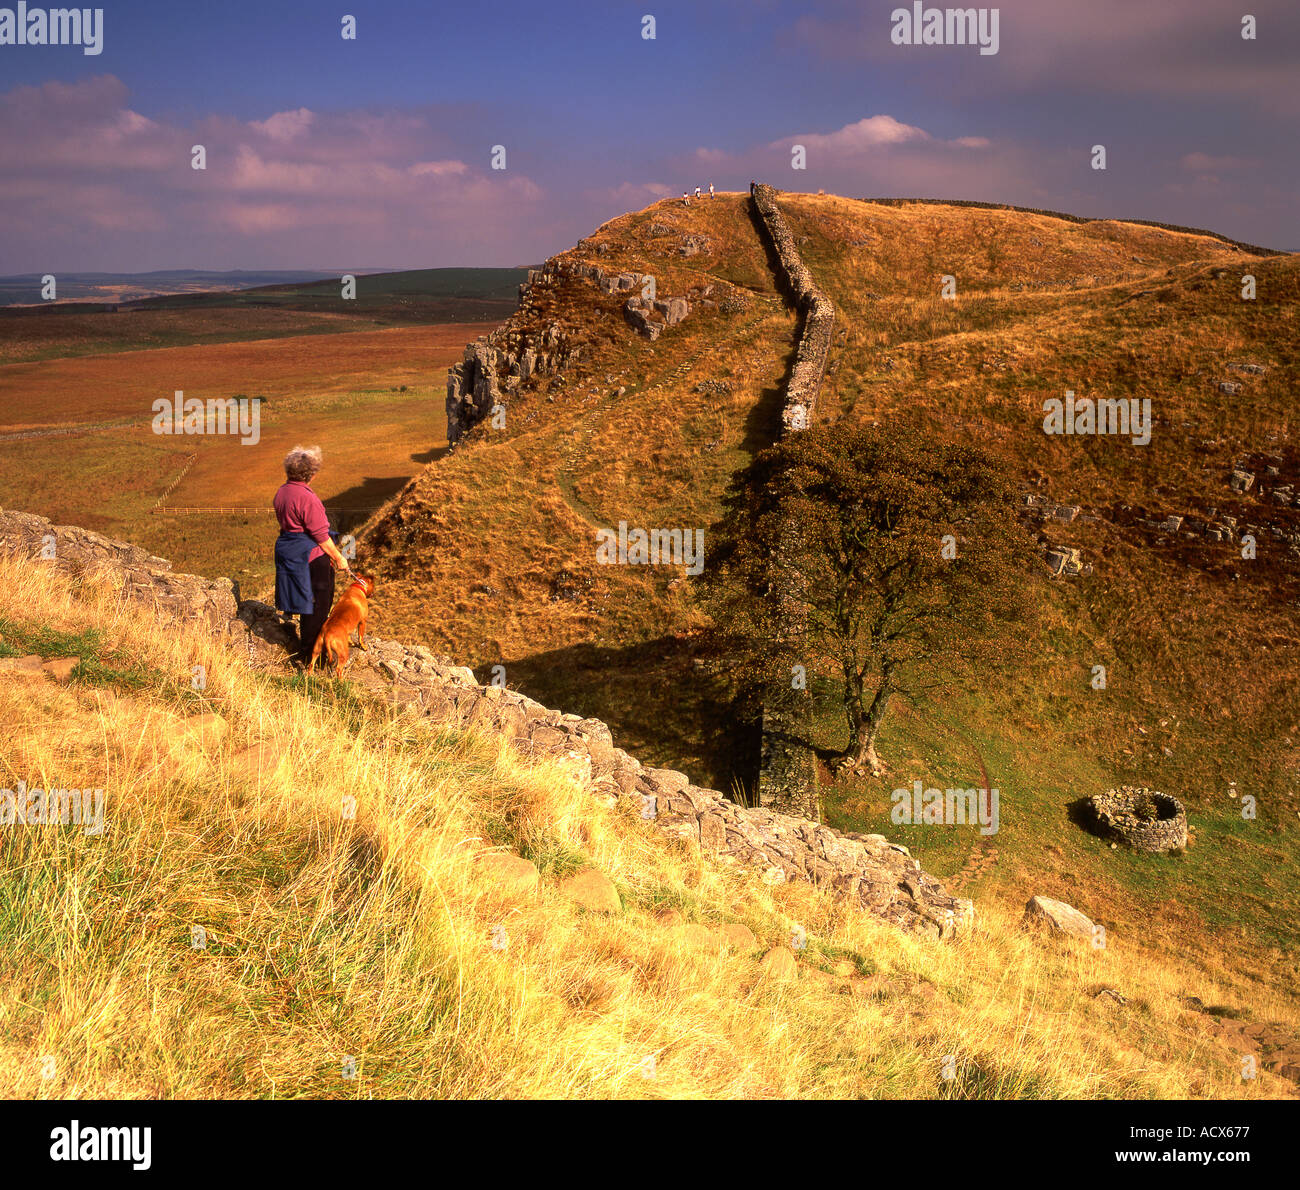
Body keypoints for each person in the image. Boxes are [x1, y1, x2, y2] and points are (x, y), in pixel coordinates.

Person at [273, 445, 349, 669]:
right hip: (311, 557)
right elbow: (320, 536)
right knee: (317, 606)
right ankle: (313, 657)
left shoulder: (282, 492)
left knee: (306, 603)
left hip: (290, 552)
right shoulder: (308, 498)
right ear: (311, 474)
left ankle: (307, 650)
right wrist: (338, 557)